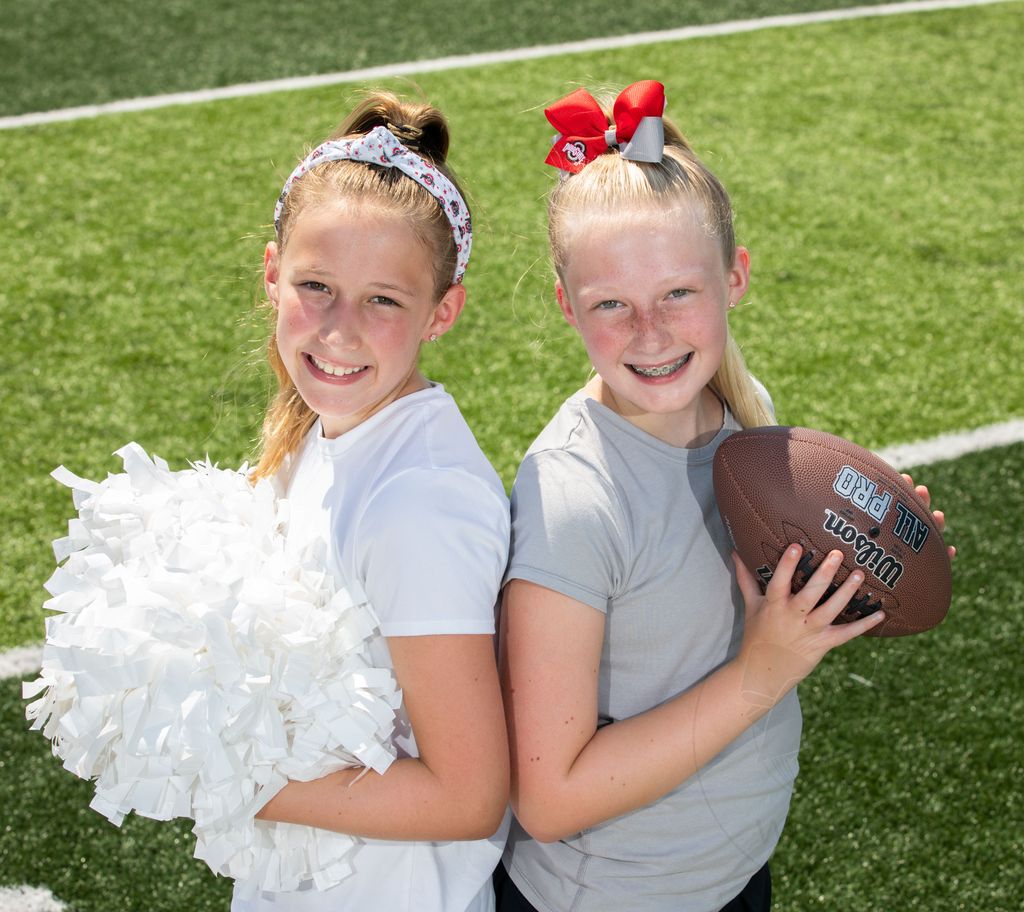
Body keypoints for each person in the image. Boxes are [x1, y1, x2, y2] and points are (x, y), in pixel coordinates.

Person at [495, 80, 951, 912]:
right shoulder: (575, 499)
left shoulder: (748, 421)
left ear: (734, 277)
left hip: (729, 874)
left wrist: (873, 556)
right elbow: (549, 799)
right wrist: (759, 675)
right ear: (567, 307)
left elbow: (752, 615)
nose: (652, 331)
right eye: (611, 306)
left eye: (678, 293)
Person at [234, 91, 511, 912]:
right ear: (272, 273)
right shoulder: (318, 431)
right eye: (316, 285)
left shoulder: (418, 506)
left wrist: (230, 772)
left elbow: (468, 797)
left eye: (383, 299)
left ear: (443, 312)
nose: (340, 329)